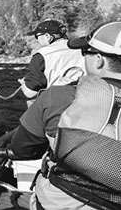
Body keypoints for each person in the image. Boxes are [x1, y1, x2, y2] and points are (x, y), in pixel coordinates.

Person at [10, 21, 121, 210]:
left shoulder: (59, 96)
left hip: (63, 202)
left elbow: (22, 150)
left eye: (86, 52)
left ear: (99, 59)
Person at [18, 20, 85, 104]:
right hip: (85, 101)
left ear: (47, 36)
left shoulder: (41, 55)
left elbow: (30, 93)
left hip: (57, 105)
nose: (37, 40)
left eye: (37, 36)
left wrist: (24, 85)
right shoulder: (82, 49)